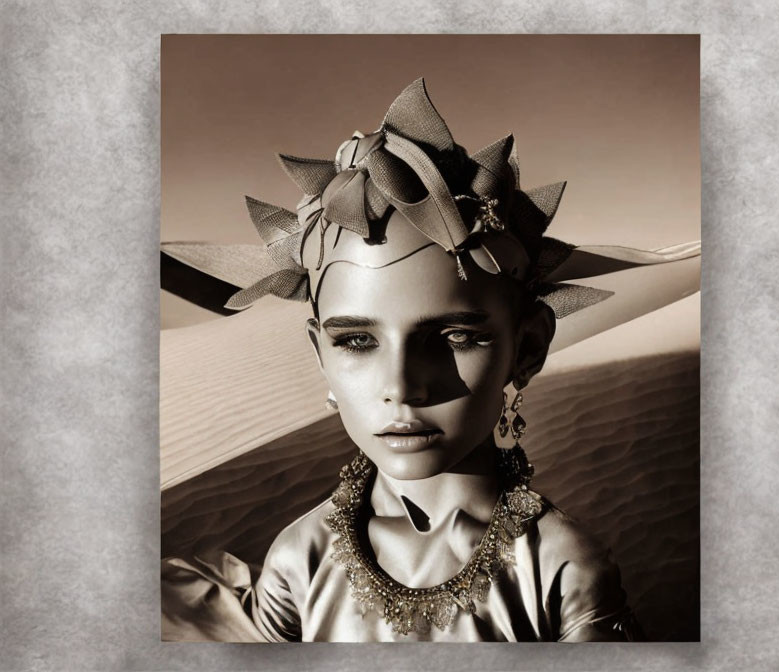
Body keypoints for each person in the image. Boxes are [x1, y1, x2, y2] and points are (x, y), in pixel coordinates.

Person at [160, 78, 699, 642]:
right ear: (319, 355)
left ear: (530, 347)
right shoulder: (300, 559)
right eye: (357, 342)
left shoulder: (562, 571)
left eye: (456, 336)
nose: (402, 387)